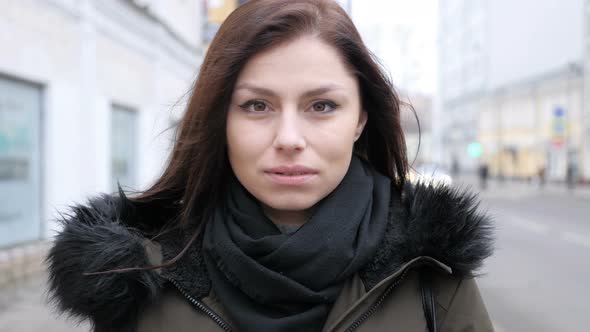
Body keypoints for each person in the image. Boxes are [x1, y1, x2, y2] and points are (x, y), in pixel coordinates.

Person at [46, 1, 495, 331]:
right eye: (257, 105)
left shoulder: (431, 271)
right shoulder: (142, 274)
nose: (289, 139)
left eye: (321, 105)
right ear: (221, 117)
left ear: (360, 118)